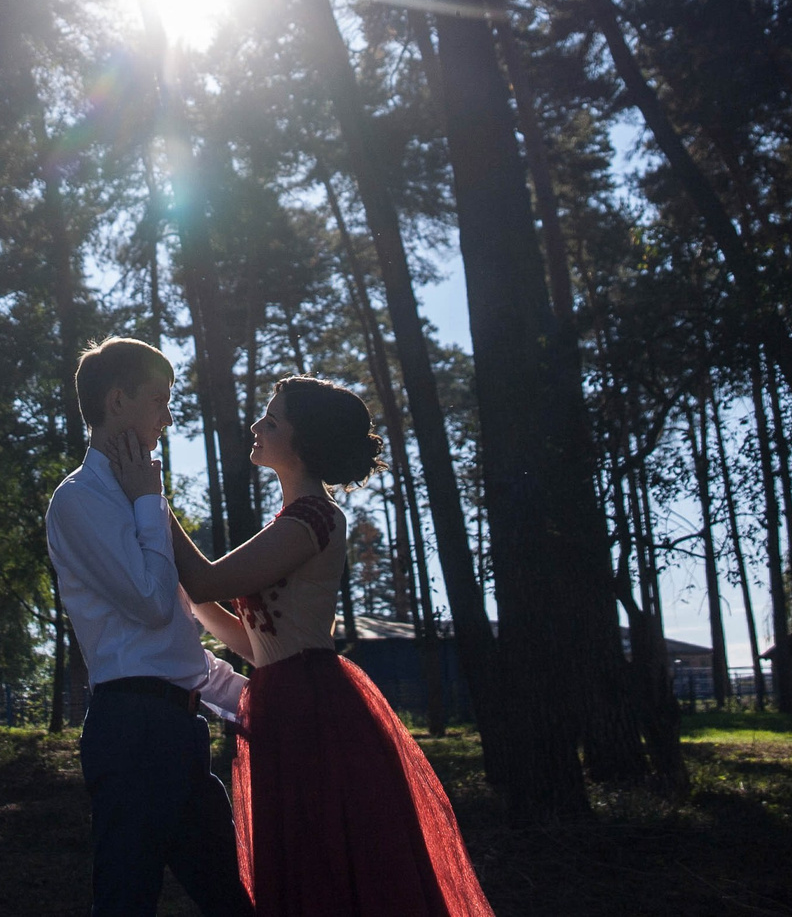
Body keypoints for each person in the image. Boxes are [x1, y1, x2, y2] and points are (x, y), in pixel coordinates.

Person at [171, 376, 496, 917]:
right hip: (284, 696)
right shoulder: (294, 519)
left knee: (327, 858)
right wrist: (189, 596)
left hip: (311, 708)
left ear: (304, 443)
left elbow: (206, 582)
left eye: (272, 421)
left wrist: (152, 502)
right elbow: (254, 645)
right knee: (307, 855)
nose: (256, 426)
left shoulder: (312, 518)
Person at [45, 337, 254, 917]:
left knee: (234, 899)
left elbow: (174, 639)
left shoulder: (145, 502)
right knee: (126, 900)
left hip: (180, 735)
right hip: (131, 733)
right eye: (159, 399)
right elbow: (153, 603)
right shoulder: (78, 500)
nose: (168, 415)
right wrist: (147, 501)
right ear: (117, 400)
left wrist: (247, 699)